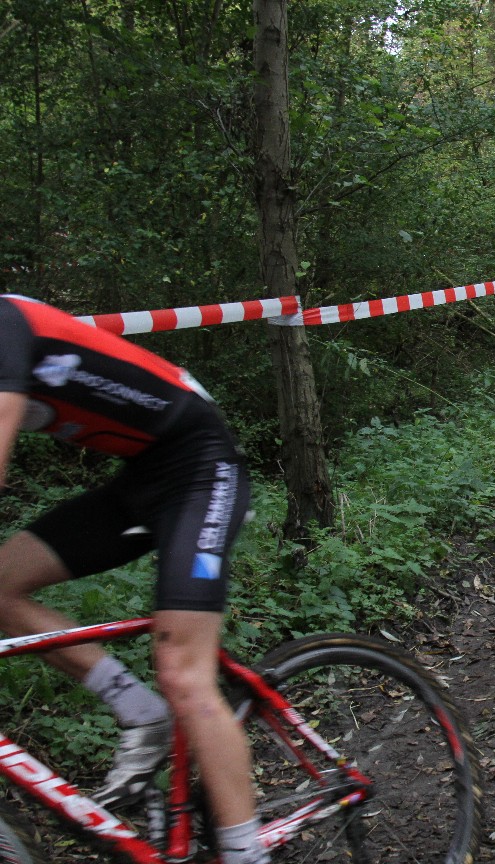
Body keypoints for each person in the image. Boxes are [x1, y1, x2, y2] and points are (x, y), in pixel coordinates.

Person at [0, 294, 269, 864]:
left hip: (201, 469)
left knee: (182, 672)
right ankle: (140, 712)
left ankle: (248, 853)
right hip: (141, 477)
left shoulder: (3, 324)